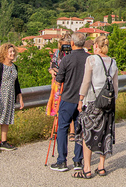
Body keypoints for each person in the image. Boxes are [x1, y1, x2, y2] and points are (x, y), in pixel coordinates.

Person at [76, 35, 118, 179]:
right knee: (105, 133)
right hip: (108, 103)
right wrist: (113, 100)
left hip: (93, 101)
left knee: (88, 133)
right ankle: (101, 167)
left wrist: (81, 99)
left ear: (96, 46)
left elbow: (86, 81)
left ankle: (87, 168)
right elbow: (115, 86)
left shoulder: (91, 59)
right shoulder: (113, 62)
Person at [51, 32, 90, 172]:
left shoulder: (67, 59)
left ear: (72, 43)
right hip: (83, 100)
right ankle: (78, 161)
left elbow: (59, 79)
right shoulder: (90, 58)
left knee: (62, 128)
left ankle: (62, 161)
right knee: (80, 131)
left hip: (68, 98)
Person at [0, 42, 24, 154]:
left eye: (13, 51)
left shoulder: (14, 67)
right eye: (10, 52)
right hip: (0, 96)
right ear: (4, 53)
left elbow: (17, 84)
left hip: (10, 97)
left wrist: (20, 98)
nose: (12, 53)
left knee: (6, 119)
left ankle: (3, 142)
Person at [47, 32, 74, 141]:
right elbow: (51, 67)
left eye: (67, 44)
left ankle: (72, 131)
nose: (65, 46)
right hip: (58, 83)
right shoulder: (57, 53)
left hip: (69, 82)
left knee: (70, 105)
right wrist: (52, 71)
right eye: (63, 44)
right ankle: (57, 130)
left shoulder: (73, 53)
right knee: (58, 106)